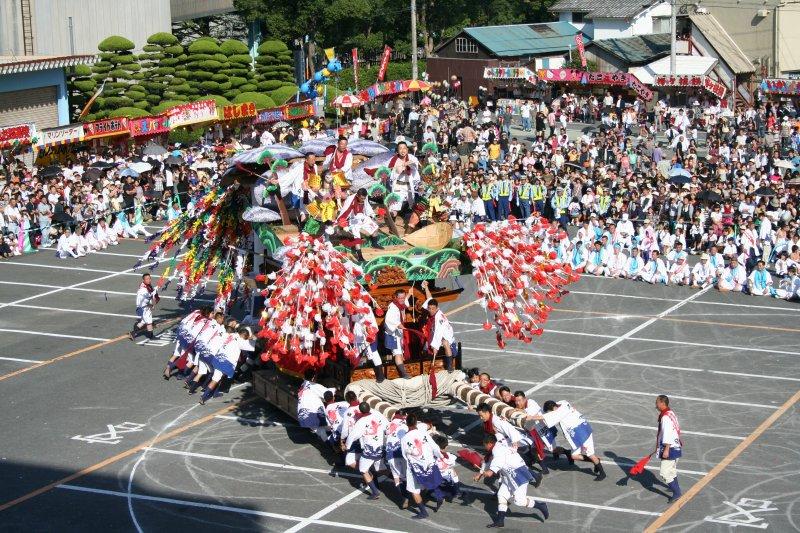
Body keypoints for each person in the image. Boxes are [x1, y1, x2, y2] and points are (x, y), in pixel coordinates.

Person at [473, 433, 549, 528]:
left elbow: (493, 468)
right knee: (502, 495)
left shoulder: (497, 451)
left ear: (489, 444)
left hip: (518, 475)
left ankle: (541, 506)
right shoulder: (499, 446)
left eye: (485, 445)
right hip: (509, 476)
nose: (484, 447)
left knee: (519, 501)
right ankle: (500, 521)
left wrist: (487, 473)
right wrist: (480, 474)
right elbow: (488, 462)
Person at [528, 400, 606, 480]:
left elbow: (545, 417)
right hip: (579, 431)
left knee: (590, 454)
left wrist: (531, 417)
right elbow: (550, 413)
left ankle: (602, 472)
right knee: (574, 456)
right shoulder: (563, 403)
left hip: (582, 433)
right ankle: (595, 461)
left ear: (553, 409)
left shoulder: (559, 413)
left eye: (550, 412)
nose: (550, 413)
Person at [400, 412, 443, 519]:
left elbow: (404, 455)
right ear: (416, 423)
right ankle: (439, 496)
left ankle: (423, 512)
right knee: (432, 479)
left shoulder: (404, 439)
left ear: (407, 423)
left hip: (415, 467)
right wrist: (440, 455)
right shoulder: (423, 433)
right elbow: (434, 447)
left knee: (414, 490)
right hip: (428, 462)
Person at [345, 402, 388, 500]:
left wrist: (347, 446)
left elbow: (353, 435)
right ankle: (399, 480)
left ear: (361, 411)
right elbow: (387, 427)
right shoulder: (378, 416)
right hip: (380, 448)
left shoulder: (361, 421)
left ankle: (375, 492)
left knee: (363, 470)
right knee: (381, 469)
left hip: (369, 450)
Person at [336, 188, 383, 261]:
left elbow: (367, 207)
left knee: (375, 227)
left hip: (362, 216)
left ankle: (374, 244)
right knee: (356, 234)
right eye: (361, 198)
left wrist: (373, 215)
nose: (363, 200)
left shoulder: (365, 197)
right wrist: (342, 224)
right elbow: (344, 212)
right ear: (357, 196)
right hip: (353, 219)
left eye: (364, 198)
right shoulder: (350, 200)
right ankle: (360, 256)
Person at [421, 280, 455, 372]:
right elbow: (429, 298)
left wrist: (435, 346)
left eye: (433, 309)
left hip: (444, 335)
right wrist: (426, 287)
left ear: (437, 308)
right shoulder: (431, 309)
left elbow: (438, 333)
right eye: (429, 308)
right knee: (425, 344)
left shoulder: (439, 318)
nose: (431, 310)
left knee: (445, 343)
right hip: (433, 332)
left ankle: (450, 365)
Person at [655, 395, 683, 502]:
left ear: (662, 403)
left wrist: (666, 449)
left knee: (664, 472)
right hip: (676, 445)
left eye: (657, 402)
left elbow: (667, 433)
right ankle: (676, 489)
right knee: (672, 470)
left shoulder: (665, 417)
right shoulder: (670, 413)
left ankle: (676, 492)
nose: (656, 404)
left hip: (670, 448)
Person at [297, 369, 336, 441]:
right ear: (314, 377)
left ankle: (330, 443)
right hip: (313, 412)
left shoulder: (303, 384)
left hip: (303, 413)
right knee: (325, 428)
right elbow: (328, 393)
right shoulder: (314, 386)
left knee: (321, 429)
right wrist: (336, 388)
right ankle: (331, 445)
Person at [383, 289, 410, 378]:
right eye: (400, 298)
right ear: (396, 297)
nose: (402, 299)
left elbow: (405, 301)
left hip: (399, 332)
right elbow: (388, 320)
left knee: (401, 352)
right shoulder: (393, 307)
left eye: (403, 297)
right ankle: (403, 374)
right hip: (393, 334)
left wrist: (409, 293)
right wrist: (398, 325)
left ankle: (402, 370)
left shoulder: (401, 304)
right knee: (397, 353)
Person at [130, 273, 159, 341]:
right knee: (149, 322)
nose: (149, 280)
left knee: (143, 322)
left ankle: (133, 333)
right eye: (147, 279)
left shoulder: (147, 286)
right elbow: (148, 296)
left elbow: (150, 296)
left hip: (145, 306)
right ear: (144, 280)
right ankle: (151, 336)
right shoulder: (143, 289)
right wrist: (154, 293)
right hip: (143, 307)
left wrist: (154, 292)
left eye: (149, 278)